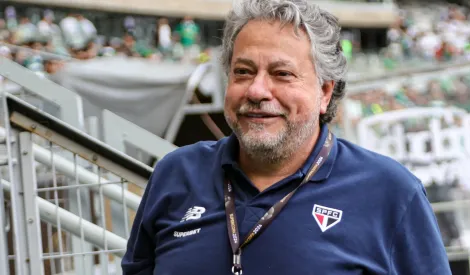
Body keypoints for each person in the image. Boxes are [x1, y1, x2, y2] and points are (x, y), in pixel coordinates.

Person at [122, 0, 451, 274]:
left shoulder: (390, 191)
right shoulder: (175, 173)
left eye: (282, 74)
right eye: (243, 71)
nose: (256, 90)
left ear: (324, 92)